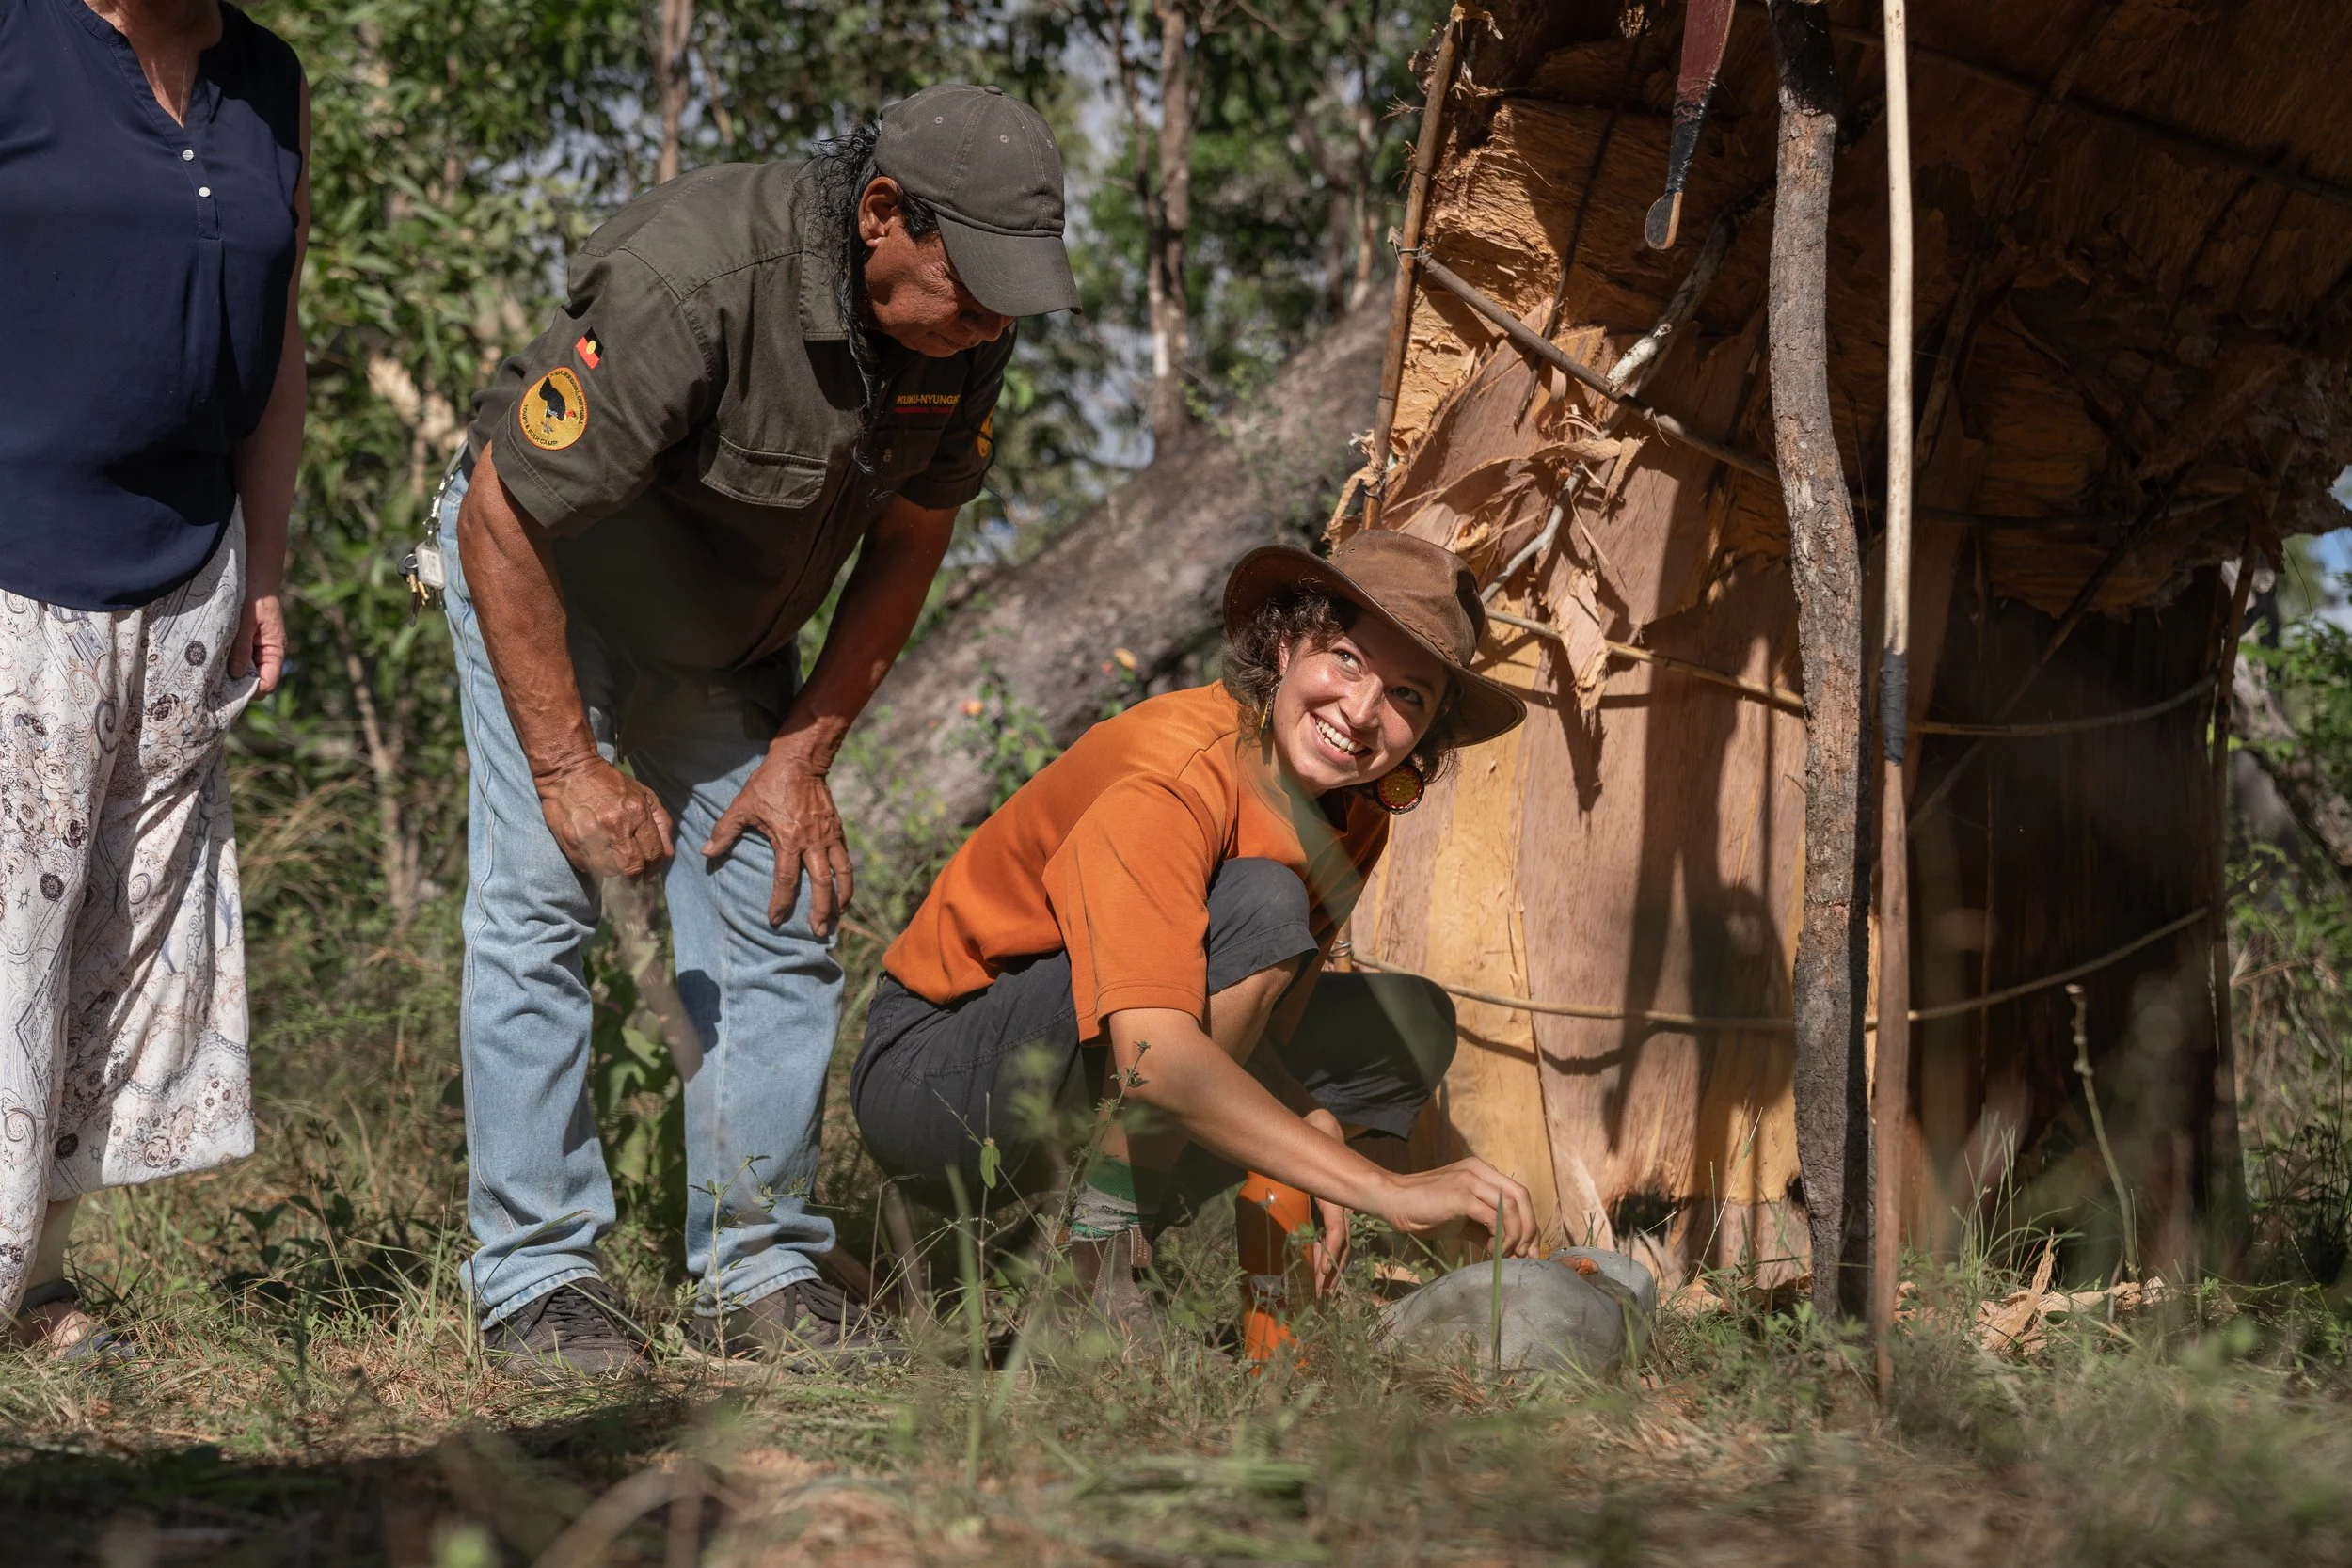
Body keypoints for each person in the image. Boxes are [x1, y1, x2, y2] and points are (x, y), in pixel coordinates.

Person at [441, 84, 1082, 1377]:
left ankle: (762, 1264)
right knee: (540, 896)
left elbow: (912, 535)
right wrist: (569, 767)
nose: (993, 321)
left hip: (721, 634)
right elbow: (504, 518)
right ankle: (539, 1275)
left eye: (1014, 295)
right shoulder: (697, 277)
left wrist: (803, 753)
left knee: (781, 891)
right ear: (883, 217)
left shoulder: (967, 330)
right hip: (546, 581)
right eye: (974, 287)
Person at [853, 531, 1542, 1346]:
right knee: (1259, 898)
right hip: (933, 1073)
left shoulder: (1352, 815)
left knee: (1406, 1025)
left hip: (1098, 1043)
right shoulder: (1175, 773)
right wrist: (1379, 1187)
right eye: (1348, 661)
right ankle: (1090, 1272)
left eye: (1407, 698)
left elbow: (1243, 1027)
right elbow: (1156, 1056)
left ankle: (1063, 1244)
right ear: (1286, 644)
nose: (1362, 714)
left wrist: (1313, 1121)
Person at [0, 0, 308, 1357]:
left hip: (189, 569)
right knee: (7, 924)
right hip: (16, 555)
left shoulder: (267, 79)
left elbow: (278, 340)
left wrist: (271, 563)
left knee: (116, 933)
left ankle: (36, 1284)